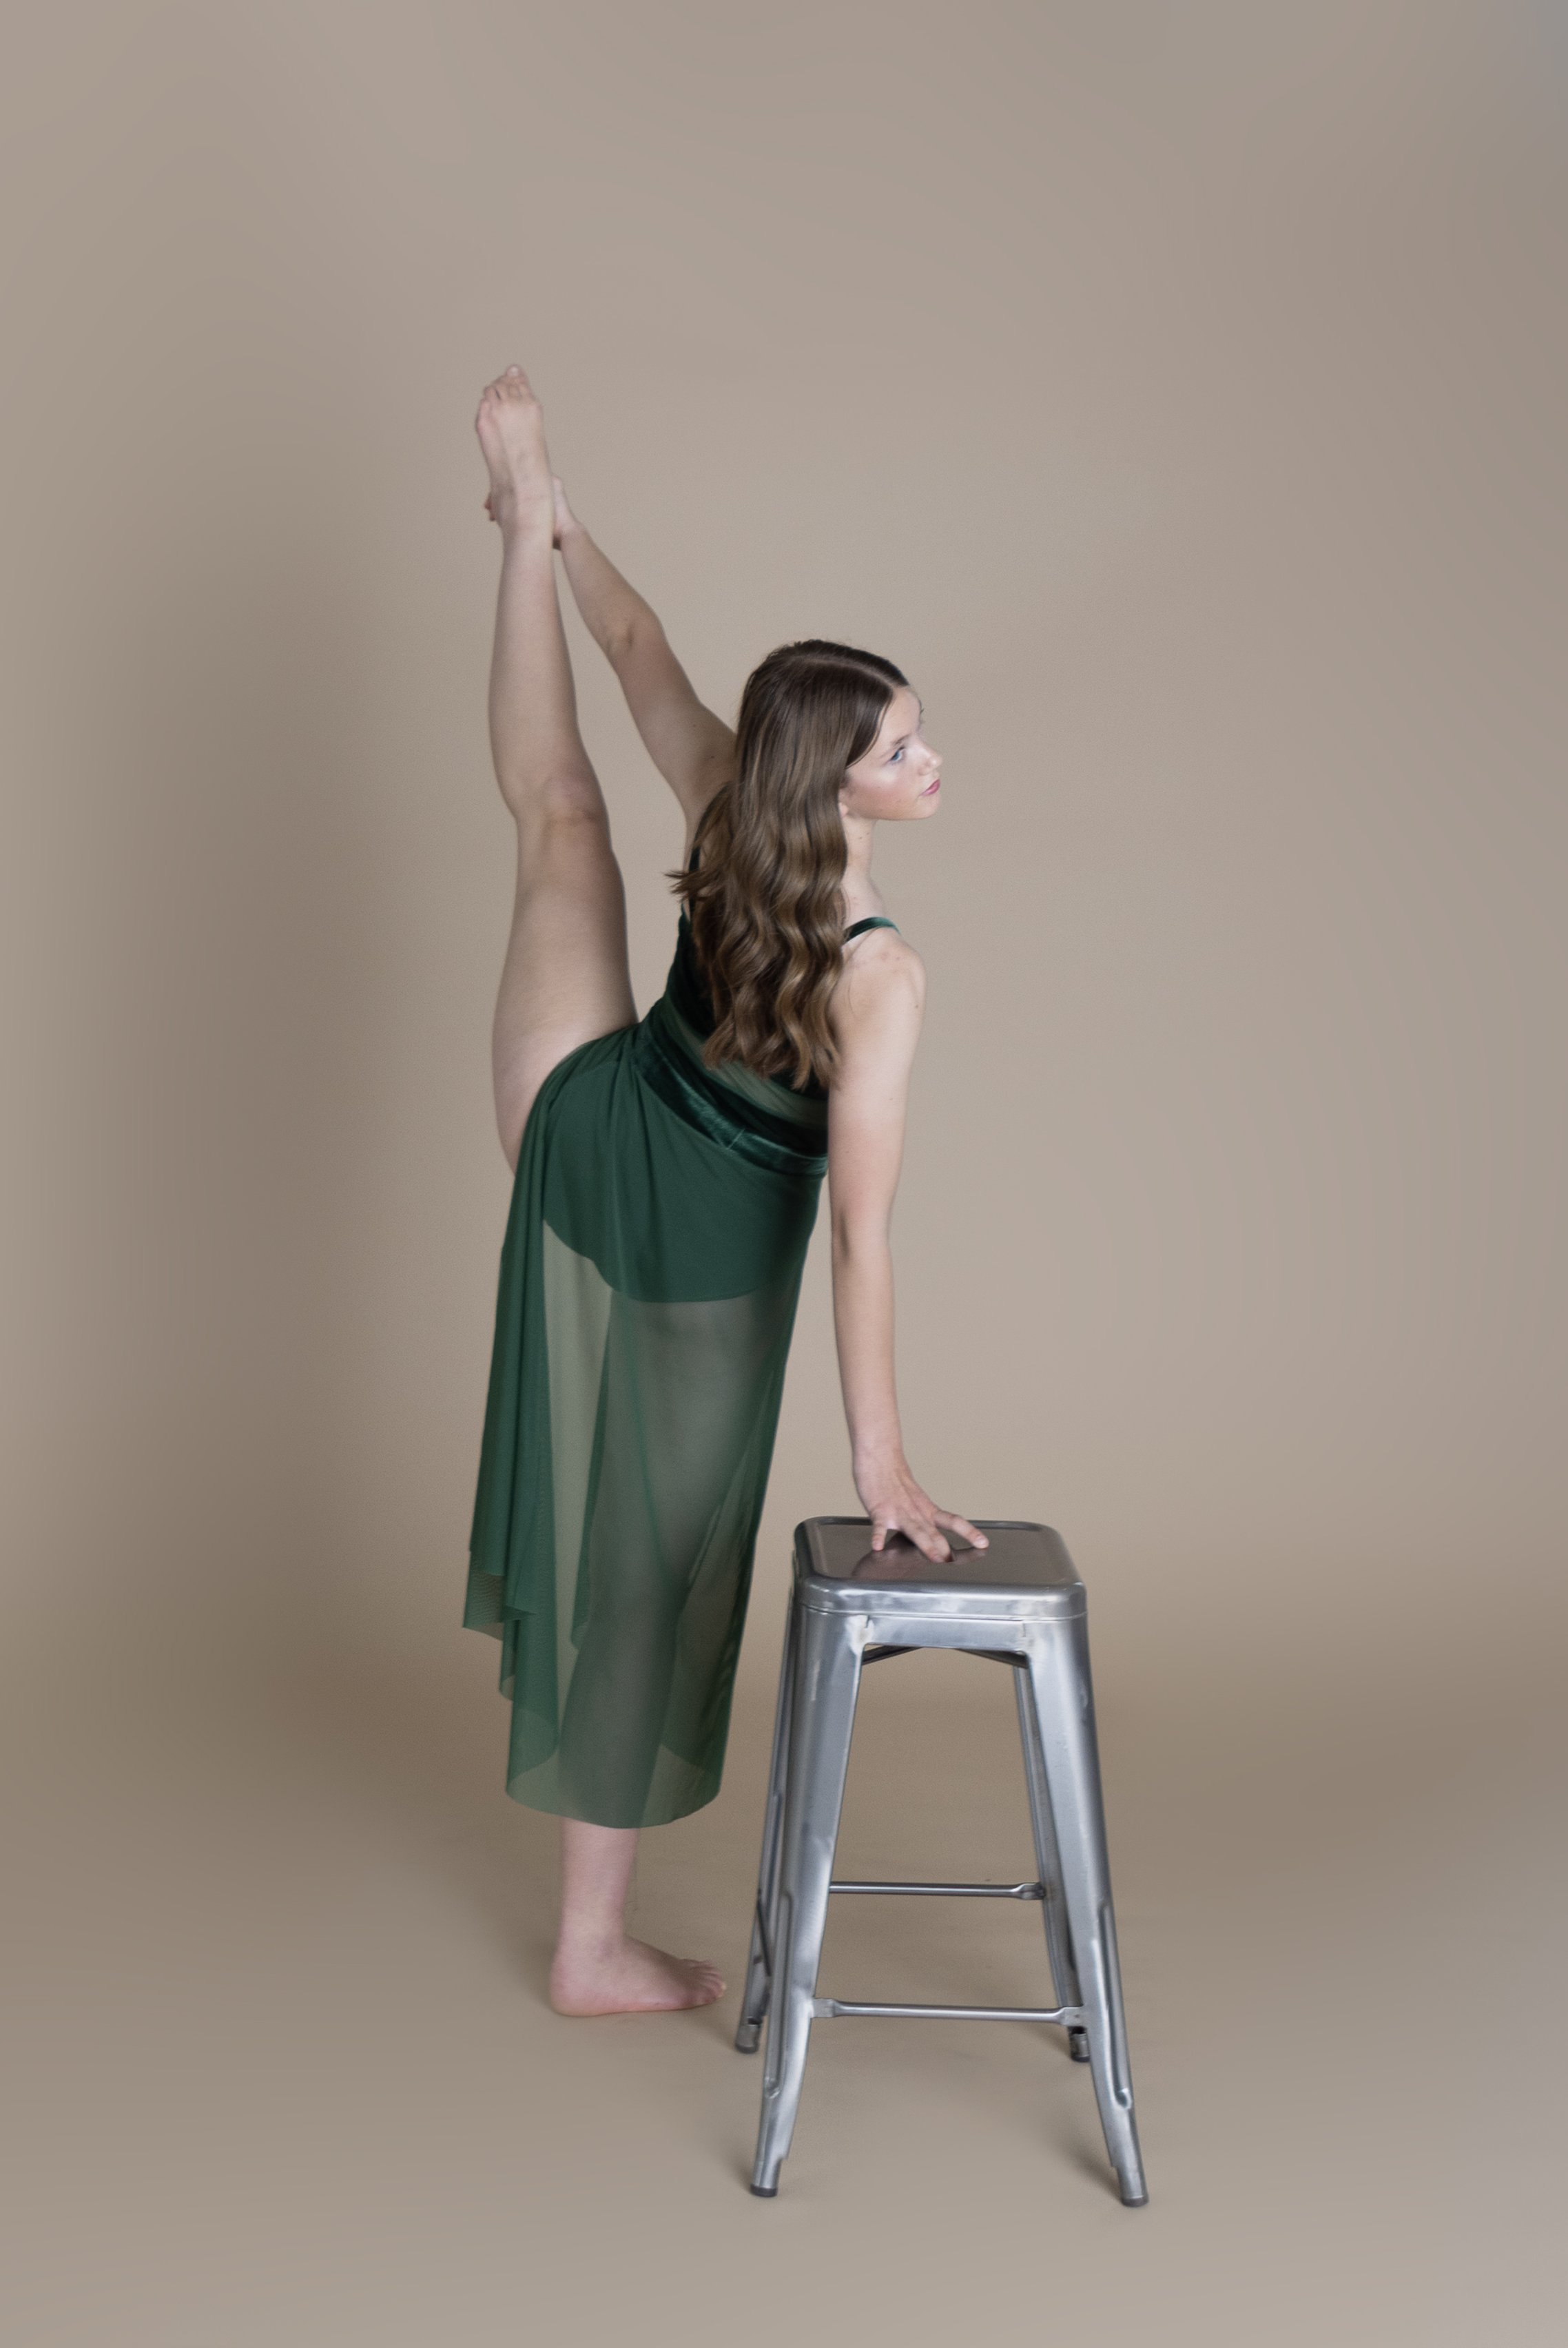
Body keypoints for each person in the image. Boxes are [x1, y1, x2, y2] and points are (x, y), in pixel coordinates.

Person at [463, 365, 986, 2019]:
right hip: (676, 1257)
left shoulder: (733, 810)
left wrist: (556, 518)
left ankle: (513, 531)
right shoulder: (880, 977)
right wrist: (879, 1456)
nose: (928, 756)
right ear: (835, 783)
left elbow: (636, 653)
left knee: (558, 822)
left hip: (572, 1118)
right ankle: (586, 1951)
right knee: (650, 1566)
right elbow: (857, 1232)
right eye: (899, 746)